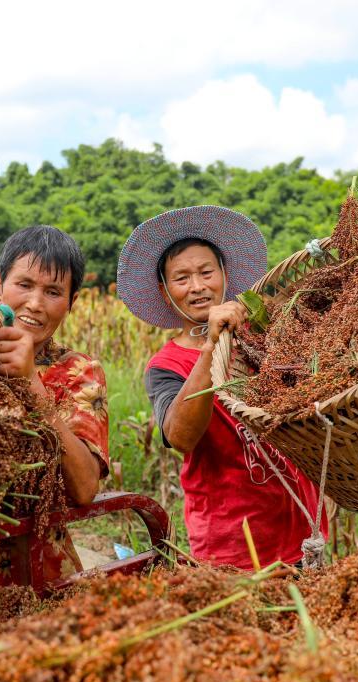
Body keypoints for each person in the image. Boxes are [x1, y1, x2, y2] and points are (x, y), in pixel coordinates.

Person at [117, 205, 326, 569]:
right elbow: (180, 437)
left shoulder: (265, 339)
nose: (197, 286)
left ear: (224, 276)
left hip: (305, 535)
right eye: (181, 278)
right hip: (233, 548)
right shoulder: (165, 366)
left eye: (205, 272)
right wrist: (212, 346)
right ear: (166, 294)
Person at [0, 225, 108, 579]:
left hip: (42, 573)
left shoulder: (78, 373)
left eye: (53, 291)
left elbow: (84, 488)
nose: (35, 304)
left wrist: (30, 383)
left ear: (72, 303)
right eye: (24, 285)